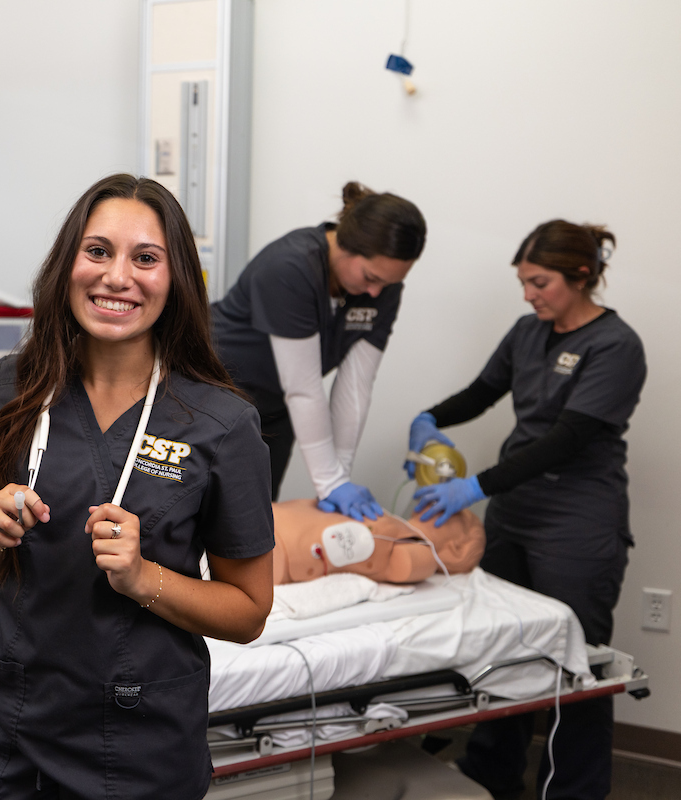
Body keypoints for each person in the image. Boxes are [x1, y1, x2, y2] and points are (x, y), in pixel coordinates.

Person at [0, 174, 275, 799]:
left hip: (136, 735)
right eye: (98, 251)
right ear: (67, 263)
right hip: (3, 720)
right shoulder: (8, 389)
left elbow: (249, 610)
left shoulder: (221, 423)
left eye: (145, 258)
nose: (117, 277)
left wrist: (142, 578)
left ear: (174, 282)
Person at [405, 219, 646, 800]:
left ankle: (575, 790)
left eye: (539, 282)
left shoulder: (616, 346)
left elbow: (566, 438)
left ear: (581, 276)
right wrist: (429, 416)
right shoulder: (527, 331)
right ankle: (491, 770)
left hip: (577, 521)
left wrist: (474, 488)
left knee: (577, 665)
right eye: (523, 281)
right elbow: (483, 391)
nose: (528, 293)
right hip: (517, 513)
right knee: (508, 650)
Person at [211, 182, 426, 519]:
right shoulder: (290, 268)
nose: (376, 292)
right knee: (205, 518)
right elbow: (304, 386)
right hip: (213, 396)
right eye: (371, 277)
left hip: (273, 408)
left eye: (388, 283)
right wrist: (328, 481)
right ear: (346, 245)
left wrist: (338, 478)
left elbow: (355, 385)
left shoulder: (382, 287)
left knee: (255, 520)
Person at [271, 499, 484, 584]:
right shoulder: (383, 513)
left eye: (454, 514)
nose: (439, 503)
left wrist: (431, 558)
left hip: (280, 553)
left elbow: (409, 566)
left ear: (455, 549)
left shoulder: (417, 550)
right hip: (270, 513)